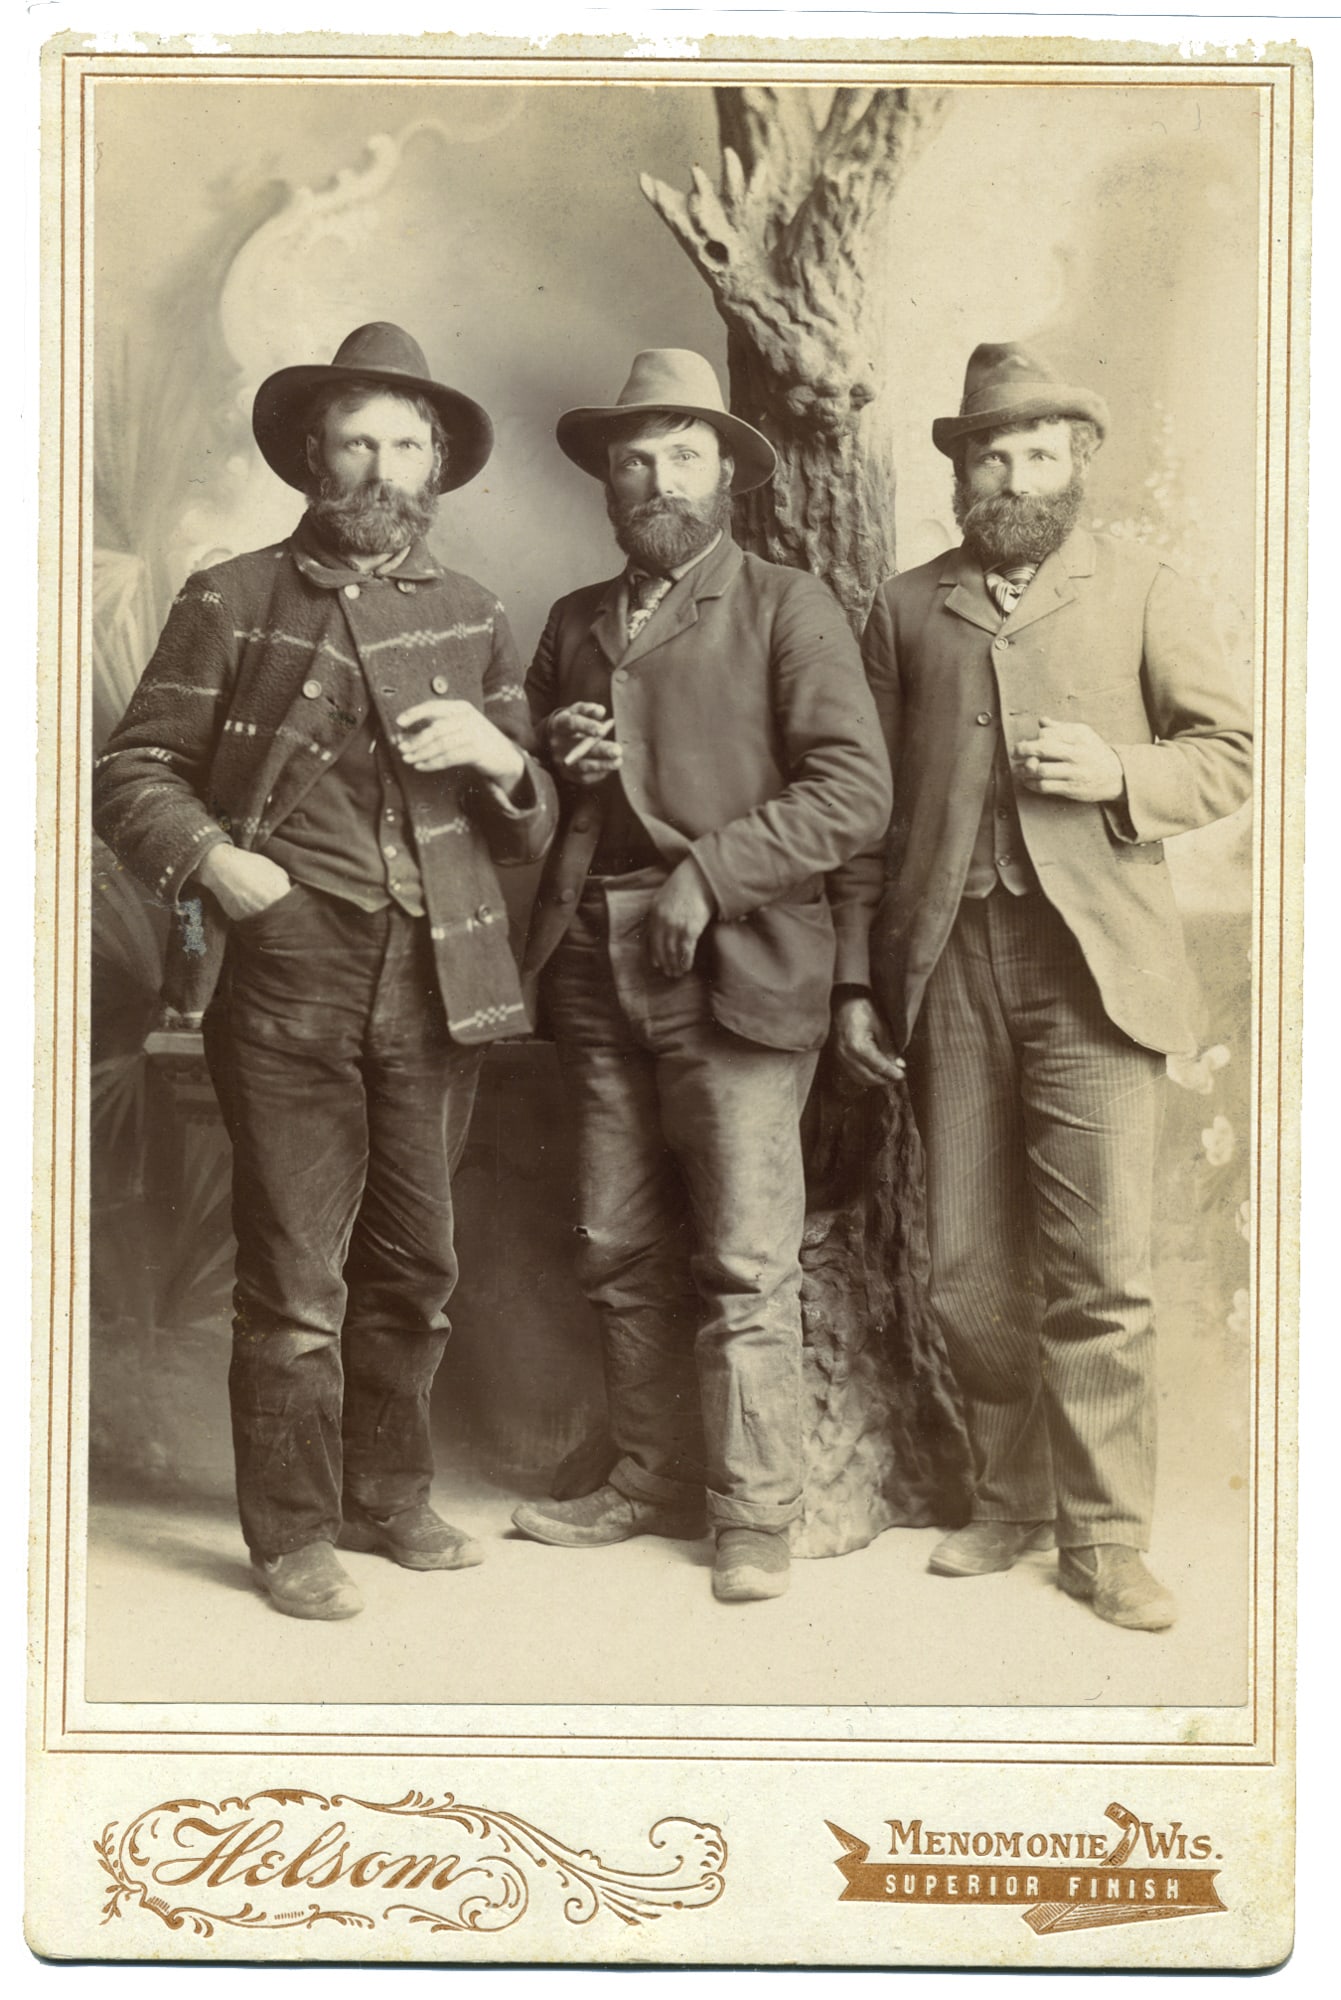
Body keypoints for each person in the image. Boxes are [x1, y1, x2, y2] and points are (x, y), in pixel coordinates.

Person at [93, 322, 557, 1620]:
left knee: (418, 1268)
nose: (379, 467)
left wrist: (503, 758)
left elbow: (530, 829)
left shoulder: (475, 613)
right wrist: (216, 863)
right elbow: (131, 772)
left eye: (405, 444)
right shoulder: (232, 596)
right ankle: (292, 1532)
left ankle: (387, 1496)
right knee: (299, 1283)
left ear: (435, 467)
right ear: (312, 454)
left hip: (438, 979)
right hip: (286, 976)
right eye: (355, 441)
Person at [832, 340, 1253, 1631]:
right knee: (965, 1266)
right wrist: (856, 983)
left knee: (1100, 1271)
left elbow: (1231, 752)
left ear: (1078, 462)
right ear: (960, 474)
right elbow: (862, 818)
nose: (1013, 476)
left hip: (1094, 971)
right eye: (990, 456)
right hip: (946, 965)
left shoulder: (1142, 589)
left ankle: (1106, 1537)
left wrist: (1121, 772)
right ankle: (1007, 1498)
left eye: (1036, 452)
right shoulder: (906, 608)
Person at [509, 348, 893, 1603]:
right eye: (636, 459)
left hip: (734, 959)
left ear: (724, 472)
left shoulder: (789, 602)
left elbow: (855, 791)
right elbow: (521, 790)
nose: (658, 478)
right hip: (589, 951)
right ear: (608, 483)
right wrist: (560, 756)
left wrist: (710, 876)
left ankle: (754, 1512)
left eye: (683, 454)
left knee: (742, 1254)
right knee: (617, 1242)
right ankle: (646, 1476)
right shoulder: (575, 619)